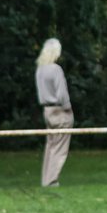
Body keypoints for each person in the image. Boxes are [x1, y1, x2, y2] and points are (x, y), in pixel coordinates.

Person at [36, 38, 73, 188]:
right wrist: (68, 108)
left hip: (47, 110)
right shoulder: (55, 69)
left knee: (51, 145)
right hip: (60, 110)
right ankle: (52, 181)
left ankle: (46, 179)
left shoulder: (40, 70)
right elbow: (62, 94)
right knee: (60, 148)